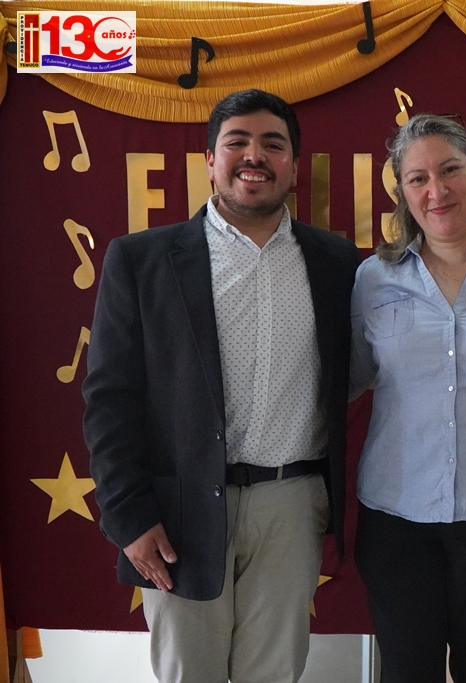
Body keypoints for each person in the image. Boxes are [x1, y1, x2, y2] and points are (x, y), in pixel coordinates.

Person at [83, 89, 360, 683]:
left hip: (292, 504)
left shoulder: (338, 263)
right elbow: (109, 400)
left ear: (293, 166)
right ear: (210, 160)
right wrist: (127, 516)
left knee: (275, 674)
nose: (254, 156)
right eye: (237, 142)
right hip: (179, 509)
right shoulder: (142, 260)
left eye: (272, 144)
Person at [349, 113, 466, 682]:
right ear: (403, 194)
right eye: (418, 178)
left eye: (450, 170)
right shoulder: (373, 279)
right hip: (397, 518)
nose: (437, 190)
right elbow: (351, 378)